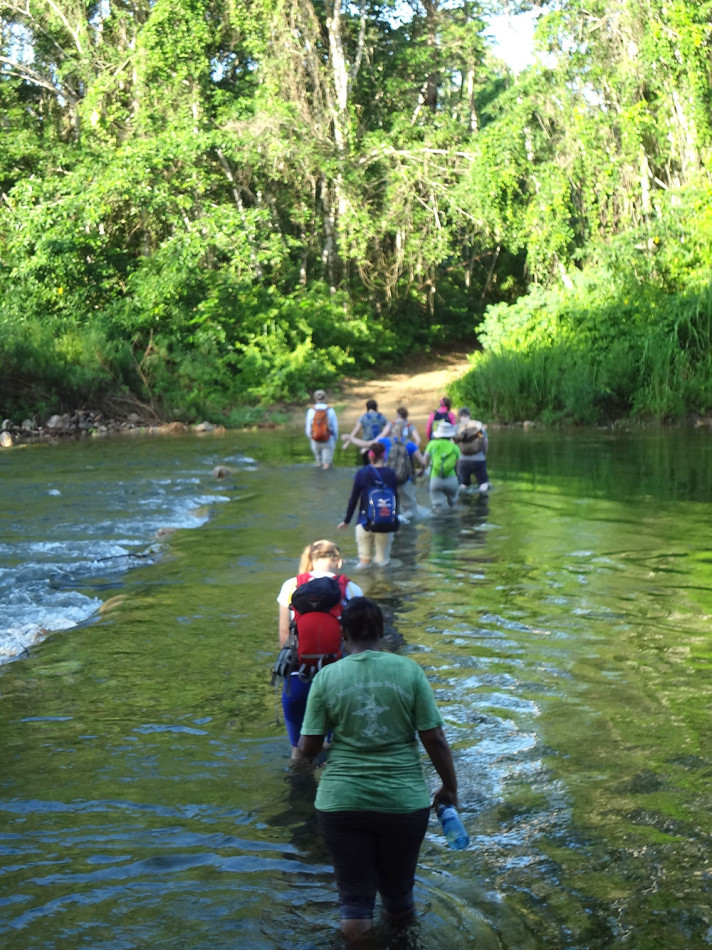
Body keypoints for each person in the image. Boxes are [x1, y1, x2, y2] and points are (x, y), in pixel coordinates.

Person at [296, 597, 461, 942]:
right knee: (399, 898)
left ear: (343, 634)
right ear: (383, 632)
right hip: (402, 803)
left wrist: (314, 759)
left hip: (341, 803)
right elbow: (435, 740)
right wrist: (449, 788)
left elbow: (308, 748)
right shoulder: (409, 671)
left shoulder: (327, 678)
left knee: (354, 904)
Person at [276, 540, 363, 759]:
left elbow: (284, 637)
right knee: (339, 749)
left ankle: (299, 789)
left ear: (310, 559)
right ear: (339, 561)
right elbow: (359, 638)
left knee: (299, 751)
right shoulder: (351, 588)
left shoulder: (291, 586)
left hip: (299, 675)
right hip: (338, 675)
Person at [343, 424, 427, 524]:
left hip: (388, 480)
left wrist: (351, 438)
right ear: (406, 433)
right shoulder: (410, 444)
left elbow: (366, 444)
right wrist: (422, 470)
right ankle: (404, 524)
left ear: (391, 432)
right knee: (411, 510)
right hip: (405, 481)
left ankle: (395, 522)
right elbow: (423, 462)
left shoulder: (384, 441)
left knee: (391, 506)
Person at [338, 442, 398, 568]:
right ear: (384, 454)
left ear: (370, 455)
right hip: (386, 522)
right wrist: (395, 518)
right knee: (382, 562)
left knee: (364, 561)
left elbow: (353, 499)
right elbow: (396, 498)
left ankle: (360, 584)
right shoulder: (391, 473)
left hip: (364, 522)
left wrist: (347, 520)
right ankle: (382, 586)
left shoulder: (362, 473)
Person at [423, 420, 461, 510]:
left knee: (438, 507)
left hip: (435, 479)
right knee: (454, 506)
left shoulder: (431, 444)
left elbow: (424, 461)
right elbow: (458, 466)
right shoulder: (455, 447)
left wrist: (422, 470)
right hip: (451, 479)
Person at [454, 407, 490, 493]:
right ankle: (482, 499)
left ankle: (463, 500)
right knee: (484, 483)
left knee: (464, 484)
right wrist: (483, 455)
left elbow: (453, 445)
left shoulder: (457, 427)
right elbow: (485, 441)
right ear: (469, 415)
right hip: (479, 459)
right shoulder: (478, 425)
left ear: (459, 416)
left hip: (463, 460)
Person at [343, 399, 387, 465]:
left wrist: (348, 442)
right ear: (376, 407)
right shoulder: (382, 417)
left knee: (366, 468)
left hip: (366, 446)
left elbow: (356, 431)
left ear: (367, 407)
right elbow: (389, 429)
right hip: (378, 446)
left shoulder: (363, 417)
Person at [305, 390, 339, 470]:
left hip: (315, 439)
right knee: (326, 464)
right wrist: (335, 439)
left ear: (315, 398)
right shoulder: (330, 410)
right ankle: (325, 481)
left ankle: (318, 480)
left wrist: (311, 437)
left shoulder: (311, 411)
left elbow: (308, 427)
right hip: (327, 439)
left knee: (319, 463)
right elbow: (334, 426)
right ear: (325, 398)